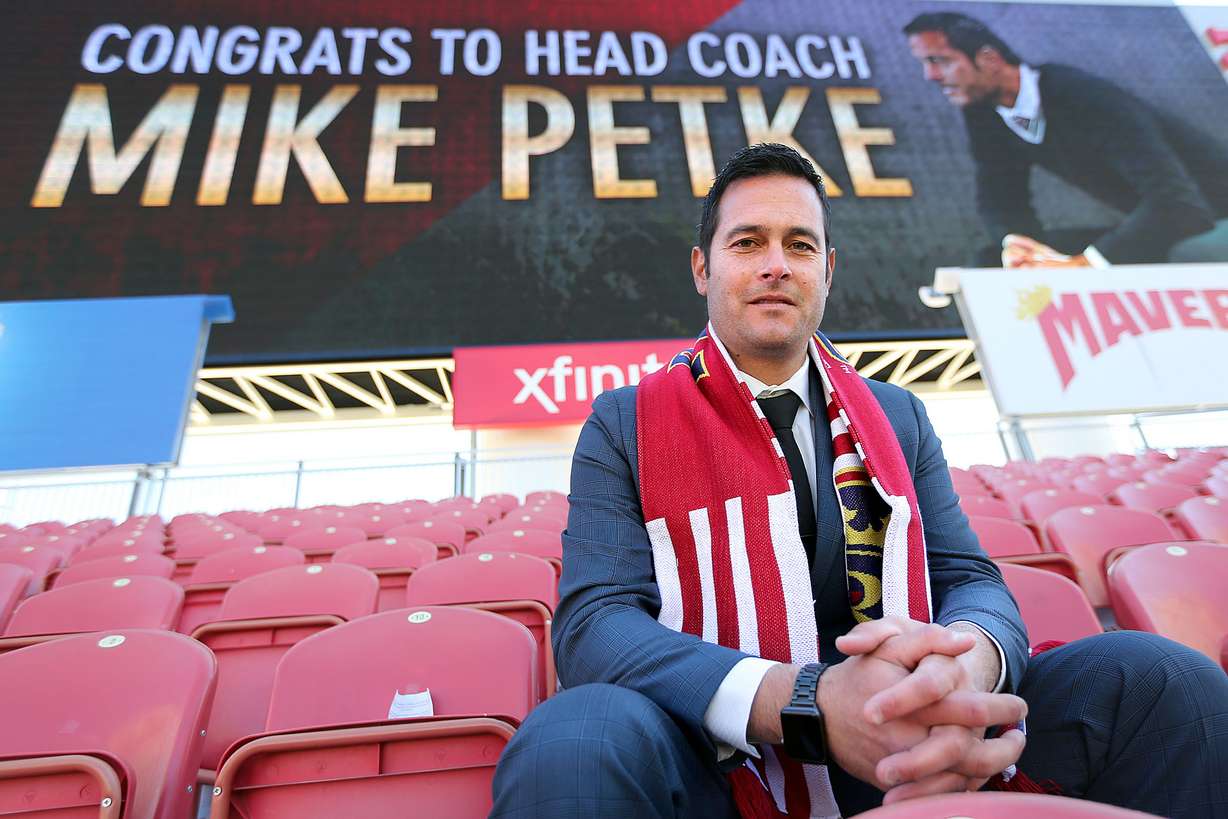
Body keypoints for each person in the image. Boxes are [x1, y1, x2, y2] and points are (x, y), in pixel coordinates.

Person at [489, 143, 1228, 818]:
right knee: (575, 736)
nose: (776, 264)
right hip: (722, 756)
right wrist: (806, 702)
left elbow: (967, 575)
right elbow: (595, 624)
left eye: (799, 245)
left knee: (1166, 679)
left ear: (827, 271)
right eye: (747, 242)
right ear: (702, 268)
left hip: (918, 728)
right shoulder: (624, 421)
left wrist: (963, 667)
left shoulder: (897, 412)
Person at [903, 12, 1228, 269]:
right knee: (992, 261)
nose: (930, 76)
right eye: (925, 64)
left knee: (1189, 252)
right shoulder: (984, 113)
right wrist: (1020, 248)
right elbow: (1001, 200)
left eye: (940, 61)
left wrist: (1085, 264)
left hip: (1208, 219)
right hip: (1171, 221)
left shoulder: (1080, 95)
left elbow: (1179, 206)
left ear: (988, 58)